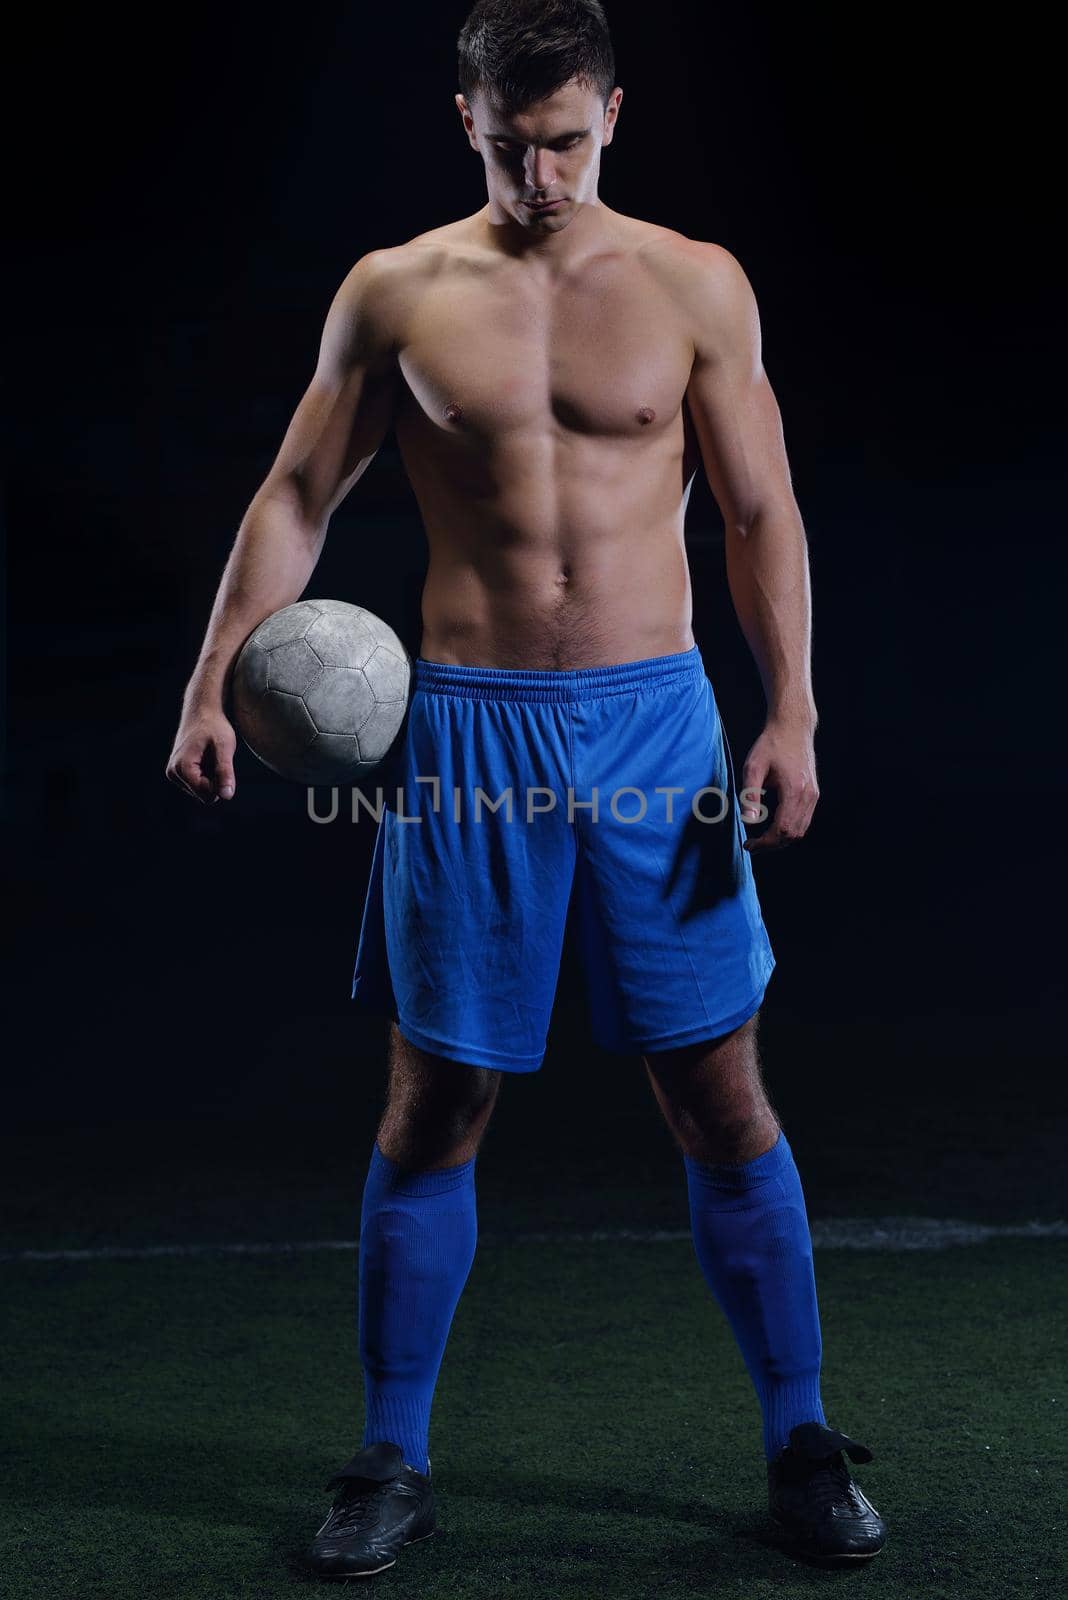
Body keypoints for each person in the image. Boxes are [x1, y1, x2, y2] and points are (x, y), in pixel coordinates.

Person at [165, 0, 887, 1578]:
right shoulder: (398, 293)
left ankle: (802, 1435)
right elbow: (297, 490)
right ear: (466, 123)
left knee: (716, 1089)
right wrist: (213, 675)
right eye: (512, 145)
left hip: (657, 734)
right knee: (438, 1101)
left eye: (566, 142)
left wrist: (797, 716)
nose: (543, 174)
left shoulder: (695, 284)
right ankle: (392, 1456)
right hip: (469, 734)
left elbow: (760, 514)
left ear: (614, 116)